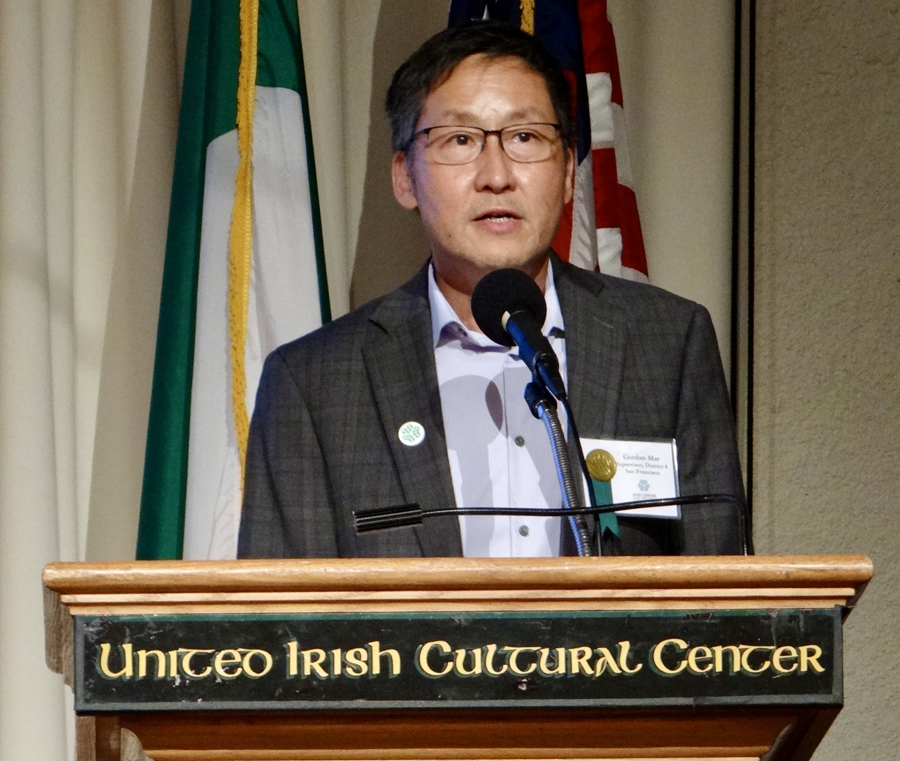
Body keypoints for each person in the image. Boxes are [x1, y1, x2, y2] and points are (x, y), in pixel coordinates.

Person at [237, 21, 745, 559]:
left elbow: (720, 580)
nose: (496, 175)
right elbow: (285, 607)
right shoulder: (314, 384)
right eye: (461, 140)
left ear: (568, 172)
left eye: (525, 137)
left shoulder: (667, 344)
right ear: (405, 178)